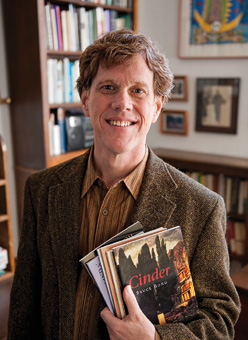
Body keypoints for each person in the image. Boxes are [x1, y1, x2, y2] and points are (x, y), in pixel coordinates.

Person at [7, 29, 240, 340]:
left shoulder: (201, 206)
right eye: (108, 87)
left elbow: (220, 322)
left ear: (157, 106)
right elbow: (25, 302)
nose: (122, 103)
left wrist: (155, 339)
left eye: (138, 91)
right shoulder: (42, 188)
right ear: (86, 100)